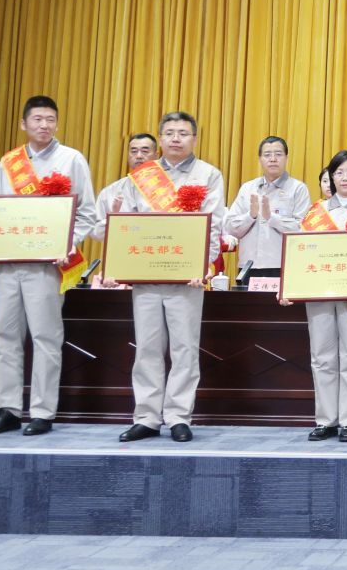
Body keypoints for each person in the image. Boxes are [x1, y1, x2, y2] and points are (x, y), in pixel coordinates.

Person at [0, 95, 100, 438]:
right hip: (9, 264)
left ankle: (42, 411)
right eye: (37, 119)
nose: (44, 125)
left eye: (50, 119)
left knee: (45, 337)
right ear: (23, 124)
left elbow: (87, 213)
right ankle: (7, 409)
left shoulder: (71, 159)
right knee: (5, 336)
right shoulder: (10, 162)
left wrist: (67, 244)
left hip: (46, 266)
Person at [99, 111, 226, 444]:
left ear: (194, 138)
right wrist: (117, 266)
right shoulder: (142, 176)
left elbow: (213, 223)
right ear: (160, 139)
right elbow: (126, 223)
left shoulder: (208, 174)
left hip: (186, 278)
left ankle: (179, 416)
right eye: (169, 133)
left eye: (183, 133)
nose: (175, 138)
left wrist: (204, 264)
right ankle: (146, 417)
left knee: (185, 349)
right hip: (146, 276)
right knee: (147, 348)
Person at [283, 150, 347, 442]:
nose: (344, 178)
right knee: (322, 357)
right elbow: (301, 252)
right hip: (320, 293)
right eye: (338, 172)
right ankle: (326, 420)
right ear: (330, 177)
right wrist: (290, 285)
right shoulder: (316, 212)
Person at [225, 135, 311, 285]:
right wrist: (250, 216)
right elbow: (230, 227)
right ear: (260, 159)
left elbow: (303, 229)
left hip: (284, 266)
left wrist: (272, 218)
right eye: (267, 155)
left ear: (286, 158)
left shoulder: (298, 188)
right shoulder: (247, 188)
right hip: (249, 267)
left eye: (278, 154)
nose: (273, 159)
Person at [95, 131, 158, 207]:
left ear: (156, 156)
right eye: (134, 151)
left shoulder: (166, 189)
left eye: (144, 151)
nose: (138, 156)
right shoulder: (109, 192)